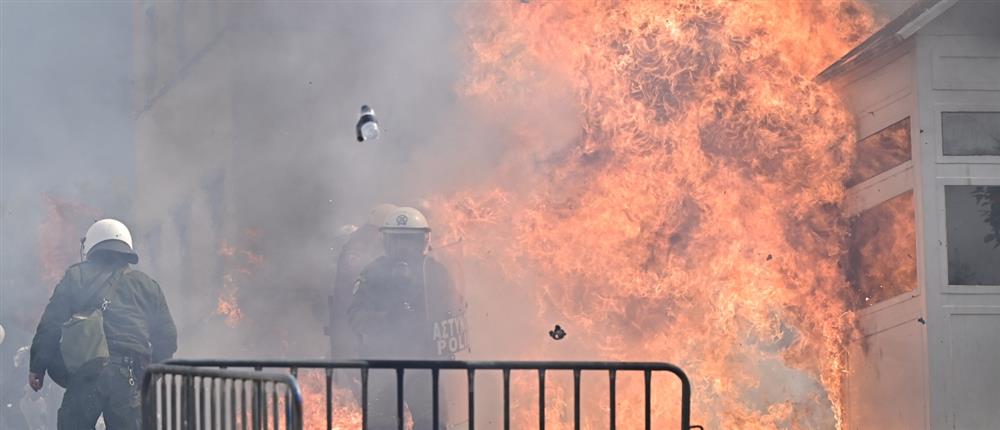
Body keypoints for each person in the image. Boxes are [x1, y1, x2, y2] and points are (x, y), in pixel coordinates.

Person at [29, 218, 177, 430]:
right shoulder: (148, 286)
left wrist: (37, 367)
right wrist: (149, 375)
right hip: (129, 378)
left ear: (92, 246)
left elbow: (51, 324)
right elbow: (166, 338)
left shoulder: (76, 276)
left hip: (86, 375)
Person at [349, 206, 467, 429]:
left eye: (410, 240)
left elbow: (454, 310)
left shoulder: (435, 272)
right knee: (381, 425)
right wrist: (386, 319)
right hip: (382, 364)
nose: (404, 247)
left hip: (424, 363)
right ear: (387, 242)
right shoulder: (372, 274)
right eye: (397, 240)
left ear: (422, 241)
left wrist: (443, 329)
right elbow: (356, 316)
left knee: (432, 423)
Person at [330, 203, 397, 361]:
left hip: (363, 316)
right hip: (351, 319)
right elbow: (356, 278)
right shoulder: (358, 247)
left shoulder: (371, 244)